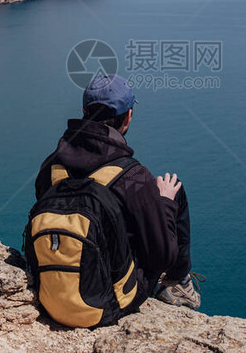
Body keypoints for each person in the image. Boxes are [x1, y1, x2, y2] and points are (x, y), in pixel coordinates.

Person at [34, 73, 202, 312]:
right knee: (175, 190)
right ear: (128, 117)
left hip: (50, 291)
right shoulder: (133, 177)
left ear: (84, 112)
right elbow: (162, 257)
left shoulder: (51, 165)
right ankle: (178, 283)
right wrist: (163, 202)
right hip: (108, 302)